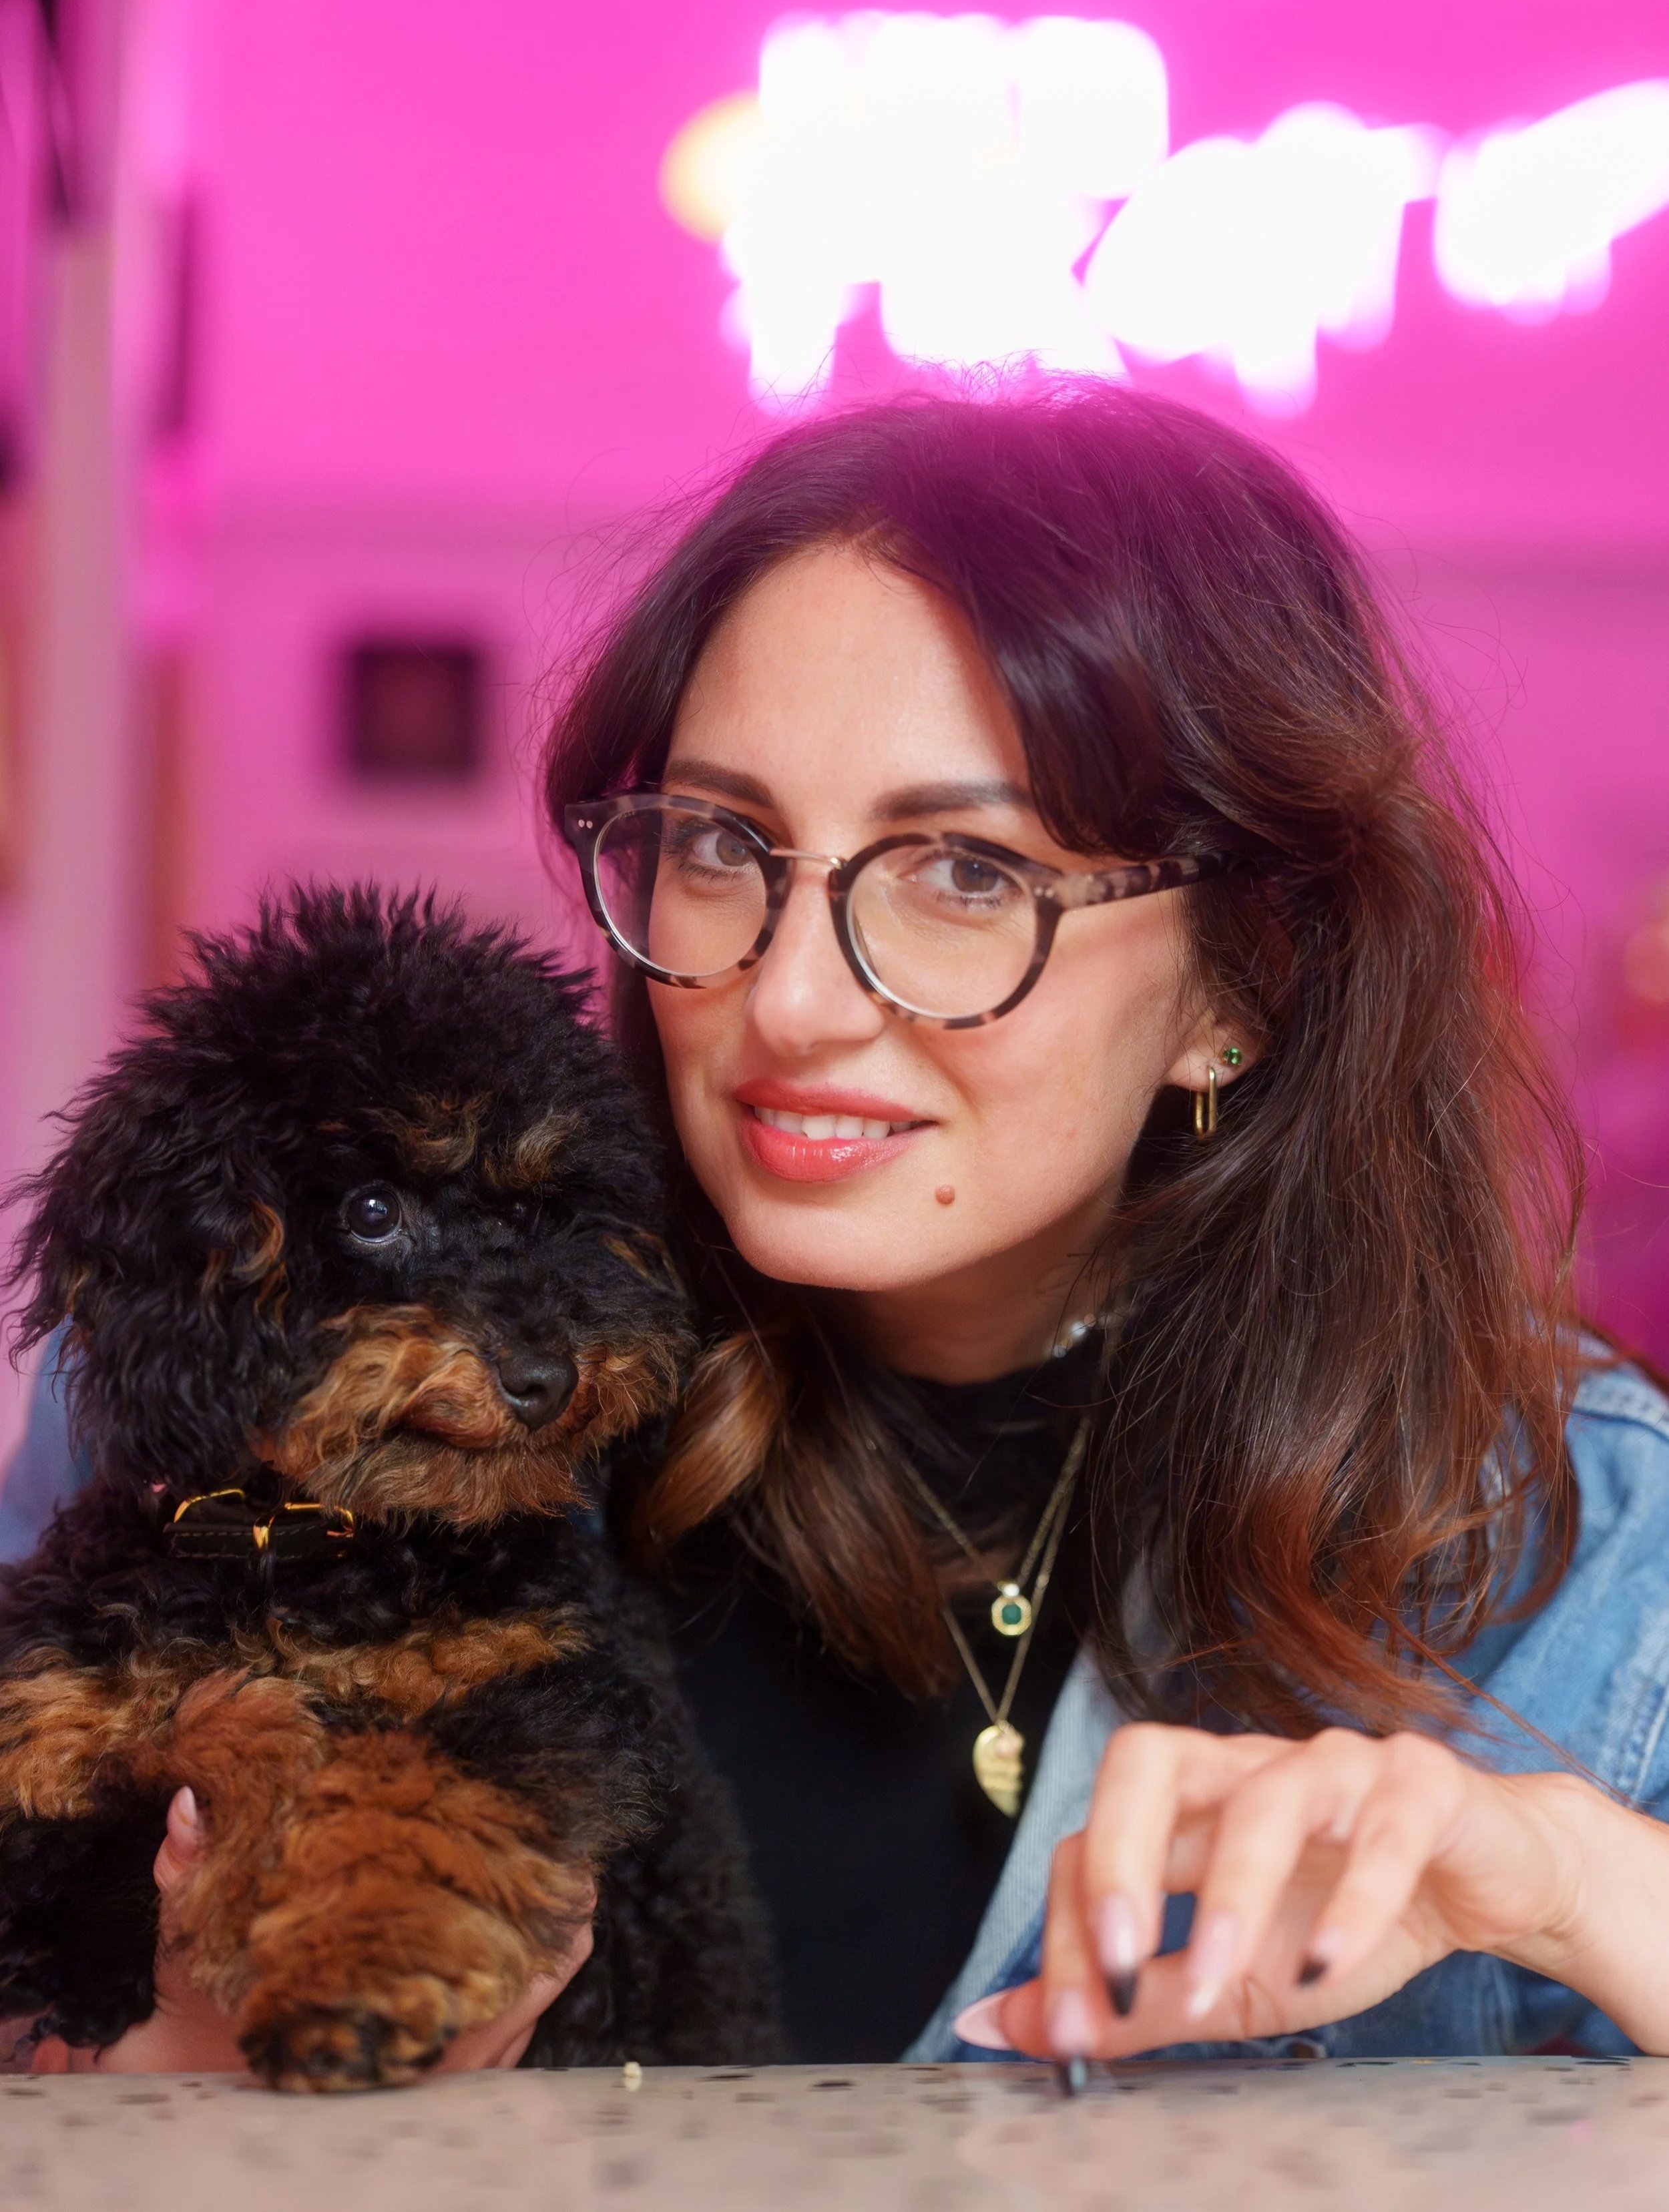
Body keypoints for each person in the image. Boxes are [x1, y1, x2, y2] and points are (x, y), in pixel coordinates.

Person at [10, 382, 1669, 2077]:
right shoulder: (248, 1391)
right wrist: (182, 2077)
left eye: (963, 873)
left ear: (1239, 986)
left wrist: (1578, 1888)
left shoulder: (1579, 1541)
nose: (787, 999)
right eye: (723, 844)